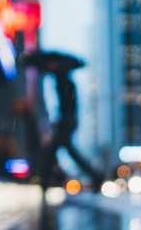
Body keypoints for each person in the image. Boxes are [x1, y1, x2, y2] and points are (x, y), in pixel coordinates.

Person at [22, 52, 103, 191]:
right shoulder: (61, 79)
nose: (50, 66)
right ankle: (94, 175)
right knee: (60, 151)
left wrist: (62, 120)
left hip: (67, 121)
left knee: (54, 151)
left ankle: (45, 181)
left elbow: (68, 106)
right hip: (67, 120)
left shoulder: (64, 81)